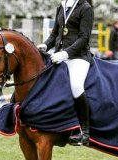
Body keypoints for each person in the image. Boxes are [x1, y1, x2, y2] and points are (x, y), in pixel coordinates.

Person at [37, 0, 94, 146]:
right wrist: (45, 44)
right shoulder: (61, 7)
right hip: (59, 55)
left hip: (78, 56)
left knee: (76, 86)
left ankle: (84, 132)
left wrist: (65, 54)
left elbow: (84, 37)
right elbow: (55, 34)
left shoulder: (85, 8)